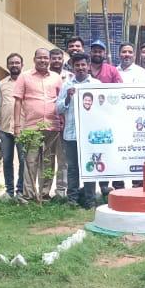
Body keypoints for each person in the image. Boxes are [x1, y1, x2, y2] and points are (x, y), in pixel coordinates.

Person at [14, 48, 63, 202]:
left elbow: (61, 102)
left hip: (52, 126)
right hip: (31, 127)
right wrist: (16, 125)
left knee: (48, 161)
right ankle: (29, 194)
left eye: (45, 58)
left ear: (49, 60)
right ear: (34, 59)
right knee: (31, 160)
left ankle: (44, 194)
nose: (43, 60)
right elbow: (17, 101)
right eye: (40, 58)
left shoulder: (56, 77)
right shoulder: (24, 77)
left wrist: (62, 122)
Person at [55, 53, 98, 208]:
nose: (80, 68)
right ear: (72, 67)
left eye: (83, 65)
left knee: (89, 167)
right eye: (77, 65)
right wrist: (67, 97)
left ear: (88, 66)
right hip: (71, 134)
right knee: (72, 168)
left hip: (89, 136)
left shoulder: (96, 84)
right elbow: (58, 108)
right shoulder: (66, 85)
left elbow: (102, 109)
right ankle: (72, 200)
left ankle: (90, 200)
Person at [0, 53, 26, 199]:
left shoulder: (27, 81)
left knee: (23, 160)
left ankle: (20, 190)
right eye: (11, 63)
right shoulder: (2, 83)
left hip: (23, 128)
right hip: (5, 129)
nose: (14, 65)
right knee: (7, 160)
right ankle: (9, 191)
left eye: (17, 63)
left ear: (22, 65)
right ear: (8, 65)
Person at [48, 47, 70, 198]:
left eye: (59, 58)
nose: (56, 61)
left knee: (63, 161)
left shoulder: (70, 77)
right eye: (53, 58)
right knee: (47, 159)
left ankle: (61, 192)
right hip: (48, 123)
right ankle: (44, 192)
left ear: (63, 60)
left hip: (65, 124)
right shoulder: (43, 76)